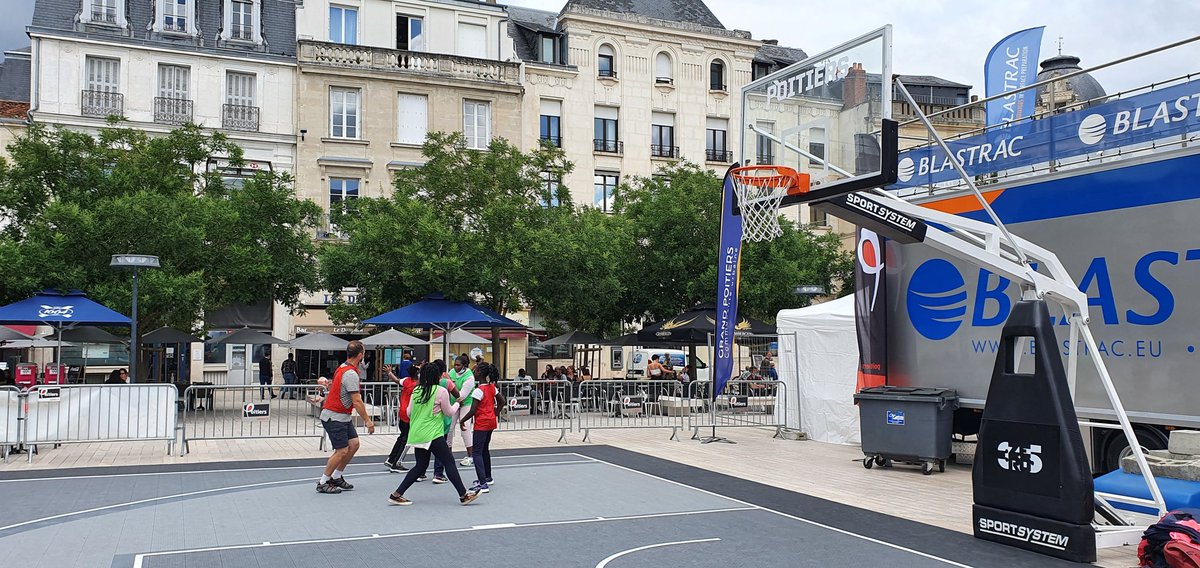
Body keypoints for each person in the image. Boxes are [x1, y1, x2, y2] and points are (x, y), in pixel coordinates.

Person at [387, 362, 481, 506]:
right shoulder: (440, 391)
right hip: (433, 433)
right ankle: (463, 495)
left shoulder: (417, 391)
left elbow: (409, 412)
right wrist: (458, 402)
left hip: (417, 433)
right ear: (437, 376)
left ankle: (396, 494)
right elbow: (449, 412)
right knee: (449, 462)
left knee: (420, 466)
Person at [316, 341, 375, 494]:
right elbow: (356, 400)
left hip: (341, 416)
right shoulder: (350, 374)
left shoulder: (343, 367)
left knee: (354, 444)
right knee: (341, 450)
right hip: (335, 416)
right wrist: (368, 421)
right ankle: (323, 482)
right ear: (360, 355)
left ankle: (336, 476)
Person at [460, 361, 504, 493]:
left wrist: (462, 420)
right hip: (491, 421)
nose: (473, 371)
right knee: (485, 449)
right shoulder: (492, 387)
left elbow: (473, 410)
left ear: (479, 373)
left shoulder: (478, 391)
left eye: (475, 370)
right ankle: (488, 477)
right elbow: (502, 401)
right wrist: (495, 413)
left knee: (476, 452)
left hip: (482, 423)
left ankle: (482, 483)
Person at [383, 362, 419, 473]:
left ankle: (391, 458)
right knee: (406, 440)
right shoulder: (417, 385)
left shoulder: (406, 381)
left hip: (402, 412)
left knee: (402, 437)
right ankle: (397, 463)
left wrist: (389, 373)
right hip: (409, 414)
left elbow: (396, 380)